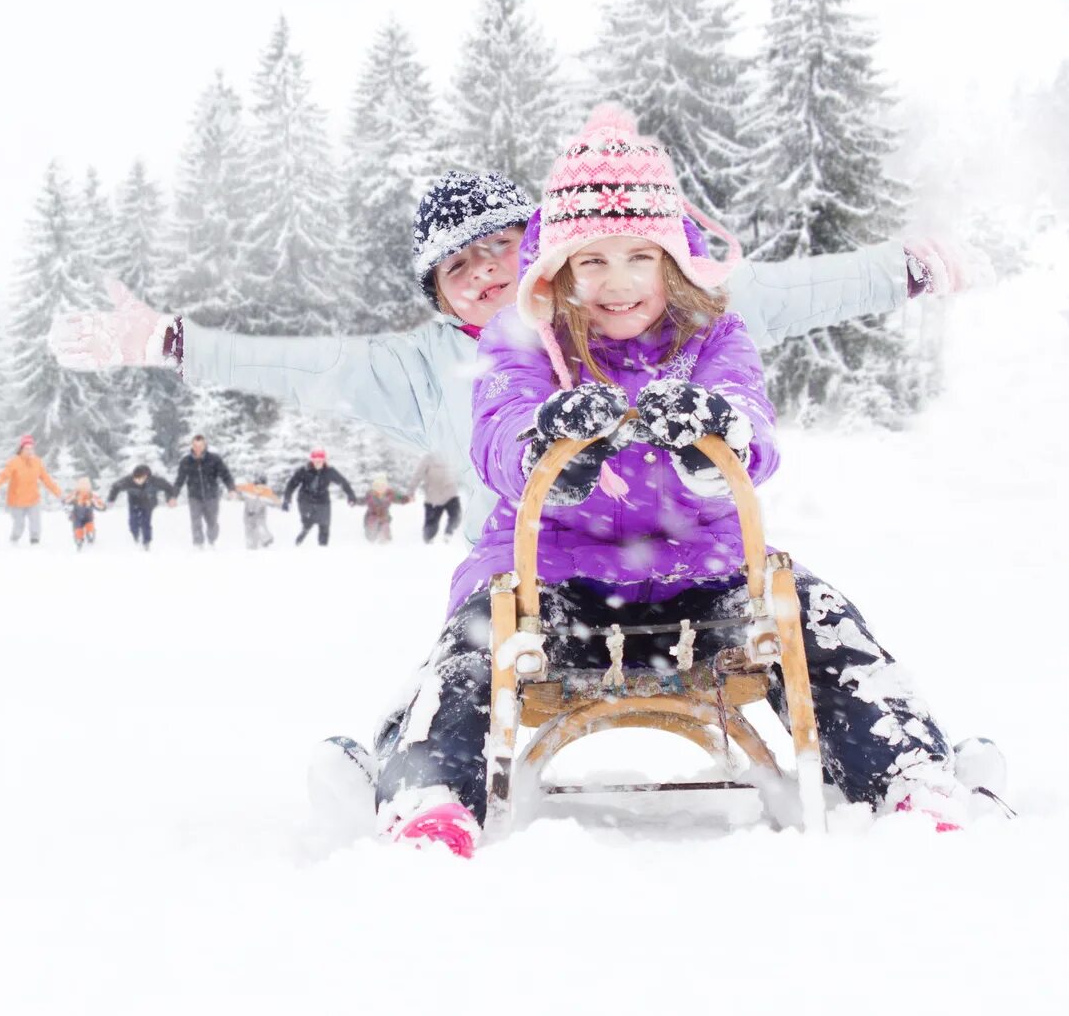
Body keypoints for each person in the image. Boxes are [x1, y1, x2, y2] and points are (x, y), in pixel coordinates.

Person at [373, 106, 984, 857]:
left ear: (675, 261)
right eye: (590, 261)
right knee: (472, 643)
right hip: (548, 580)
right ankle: (427, 796)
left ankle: (911, 770)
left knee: (813, 615)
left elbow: (755, 427)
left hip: (706, 574)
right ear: (557, 268)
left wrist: (719, 435)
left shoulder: (714, 335)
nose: (616, 283)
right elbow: (498, 426)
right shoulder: (523, 337)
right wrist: (545, 447)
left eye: (640, 257)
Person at [48, 180, 985, 551]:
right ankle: (421, 775)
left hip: (685, 552)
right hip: (525, 580)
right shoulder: (416, 369)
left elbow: (774, 294)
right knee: (461, 663)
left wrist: (902, 270)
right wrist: (174, 343)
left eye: (502, 247)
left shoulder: (619, 300)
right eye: (461, 266)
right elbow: (301, 366)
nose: (489, 272)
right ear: (441, 297)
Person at [0, 435, 63, 545]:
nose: (29, 450)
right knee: (19, 525)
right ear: (21, 448)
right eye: (26, 448)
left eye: (31, 448)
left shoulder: (37, 462)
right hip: (17, 500)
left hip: (33, 499)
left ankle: (35, 541)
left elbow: (47, 480)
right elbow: (3, 476)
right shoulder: (14, 462)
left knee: (36, 523)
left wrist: (59, 494)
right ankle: (14, 540)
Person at [281, 449, 357, 547]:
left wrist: (351, 495)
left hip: (323, 500)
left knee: (324, 525)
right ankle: (301, 538)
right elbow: (291, 484)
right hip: (305, 500)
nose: (318, 462)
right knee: (308, 523)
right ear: (311, 460)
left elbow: (343, 482)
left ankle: (322, 548)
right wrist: (287, 500)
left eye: (320, 460)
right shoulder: (304, 470)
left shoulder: (329, 471)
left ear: (324, 460)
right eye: (315, 459)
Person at [170, 434, 235, 548]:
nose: (198, 448)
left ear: (205, 445)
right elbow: (180, 480)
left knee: (212, 522)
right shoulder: (186, 461)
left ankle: (212, 540)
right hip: (194, 496)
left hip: (212, 496)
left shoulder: (214, 459)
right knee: (196, 521)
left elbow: (225, 475)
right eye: (195, 445)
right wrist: (173, 496)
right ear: (192, 445)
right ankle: (198, 544)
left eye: (200, 445)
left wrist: (231, 488)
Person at [106, 463, 176, 550]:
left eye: (140, 479)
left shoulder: (155, 481)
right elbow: (115, 487)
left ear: (145, 476)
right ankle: (136, 536)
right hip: (134, 502)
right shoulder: (128, 481)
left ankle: (146, 542)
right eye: (135, 479)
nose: (137, 481)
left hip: (149, 501)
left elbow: (168, 487)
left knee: (145, 522)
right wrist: (111, 499)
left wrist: (170, 498)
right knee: (133, 521)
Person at [407, 452, 462, 545]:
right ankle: (427, 542)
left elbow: (459, 471)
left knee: (456, 516)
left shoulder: (450, 454)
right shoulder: (428, 458)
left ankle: (448, 536)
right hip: (434, 497)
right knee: (432, 523)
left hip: (450, 494)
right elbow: (417, 475)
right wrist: (411, 490)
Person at [361, 475, 413, 544]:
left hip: (384, 516)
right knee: (371, 537)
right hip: (372, 516)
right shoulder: (370, 495)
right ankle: (371, 536)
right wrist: (354, 501)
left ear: (385, 486)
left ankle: (384, 540)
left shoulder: (389, 494)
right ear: (374, 486)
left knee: (385, 533)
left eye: (382, 485)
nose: (380, 487)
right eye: (377, 485)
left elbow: (399, 498)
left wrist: (407, 499)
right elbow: (362, 500)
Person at [61, 476, 107, 550]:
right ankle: (90, 533)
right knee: (89, 523)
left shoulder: (75, 494)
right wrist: (103, 507)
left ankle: (79, 539)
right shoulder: (90, 494)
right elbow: (98, 502)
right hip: (88, 514)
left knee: (77, 526)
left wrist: (65, 502)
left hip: (77, 515)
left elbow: (66, 500)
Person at [236, 473, 279, 550]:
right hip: (254, 513)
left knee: (254, 527)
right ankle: (259, 542)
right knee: (256, 526)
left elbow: (237, 490)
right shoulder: (265, 490)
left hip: (253, 513)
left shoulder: (250, 487)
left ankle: (258, 543)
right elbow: (276, 501)